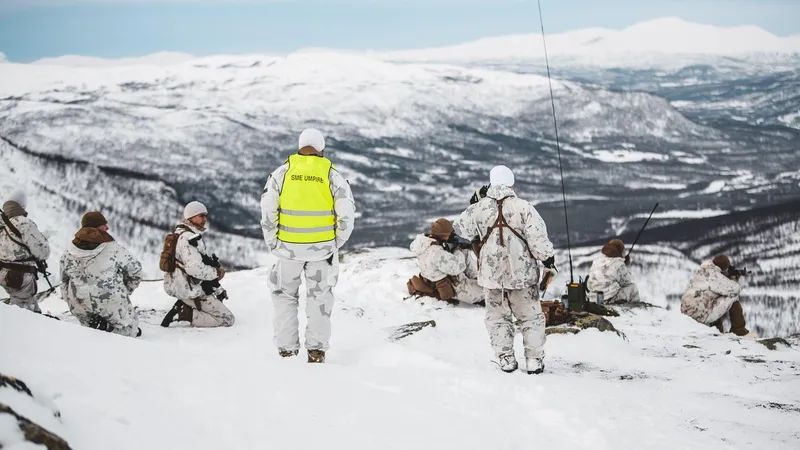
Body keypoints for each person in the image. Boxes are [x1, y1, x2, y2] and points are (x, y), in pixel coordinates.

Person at [260, 128, 356, 363]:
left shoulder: (281, 174)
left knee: (284, 296)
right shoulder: (332, 176)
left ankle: (286, 351)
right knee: (320, 298)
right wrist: (335, 243)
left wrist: (274, 242)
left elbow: (268, 212)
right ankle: (316, 351)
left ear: (300, 146)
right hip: (322, 251)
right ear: (321, 148)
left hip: (288, 250)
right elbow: (347, 215)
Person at [454, 165, 557, 374]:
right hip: (523, 277)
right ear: (511, 183)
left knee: (497, 318)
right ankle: (534, 360)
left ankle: (506, 358)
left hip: (491, 278)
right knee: (530, 317)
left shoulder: (478, 209)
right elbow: (539, 243)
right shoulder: (525, 207)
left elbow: (460, 229)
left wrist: (474, 204)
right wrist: (548, 262)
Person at [60, 211, 143, 337]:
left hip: (79, 305)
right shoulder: (112, 247)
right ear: (96, 227)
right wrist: (124, 290)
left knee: (89, 330)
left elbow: (64, 280)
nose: (107, 227)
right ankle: (111, 328)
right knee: (130, 330)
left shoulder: (69, 250)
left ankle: (95, 325)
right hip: (109, 301)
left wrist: (71, 299)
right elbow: (136, 271)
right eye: (104, 224)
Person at [161, 201, 235, 328]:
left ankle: (185, 304)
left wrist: (218, 289)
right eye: (201, 216)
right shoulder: (189, 239)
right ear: (191, 217)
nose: (205, 219)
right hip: (189, 288)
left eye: (205, 216)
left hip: (179, 284)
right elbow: (194, 269)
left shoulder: (181, 233)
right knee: (227, 319)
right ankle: (185, 313)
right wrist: (217, 273)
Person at [408, 218, 484, 305]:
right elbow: (459, 267)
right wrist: (457, 249)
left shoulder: (426, 244)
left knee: (464, 252)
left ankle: (476, 278)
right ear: (443, 235)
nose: (451, 236)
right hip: (456, 288)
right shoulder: (436, 252)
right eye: (449, 234)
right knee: (491, 293)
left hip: (435, 280)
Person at [0, 190, 50, 313]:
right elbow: (43, 252)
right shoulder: (24, 223)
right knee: (25, 313)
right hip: (19, 276)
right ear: (22, 206)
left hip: (3, 272)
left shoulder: (2, 223)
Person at [681, 255, 751, 337]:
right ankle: (739, 330)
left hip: (686, 313)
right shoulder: (715, 276)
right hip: (699, 316)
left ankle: (718, 330)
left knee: (713, 301)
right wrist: (733, 279)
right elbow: (735, 290)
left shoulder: (702, 271)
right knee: (733, 297)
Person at [587, 239, 640, 304]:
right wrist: (625, 265)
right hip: (609, 299)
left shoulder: (597, 261)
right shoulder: (618, 263)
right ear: (620, 250)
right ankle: (634, 308)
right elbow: (627, 282)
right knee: (633, 287)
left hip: (593, 298)